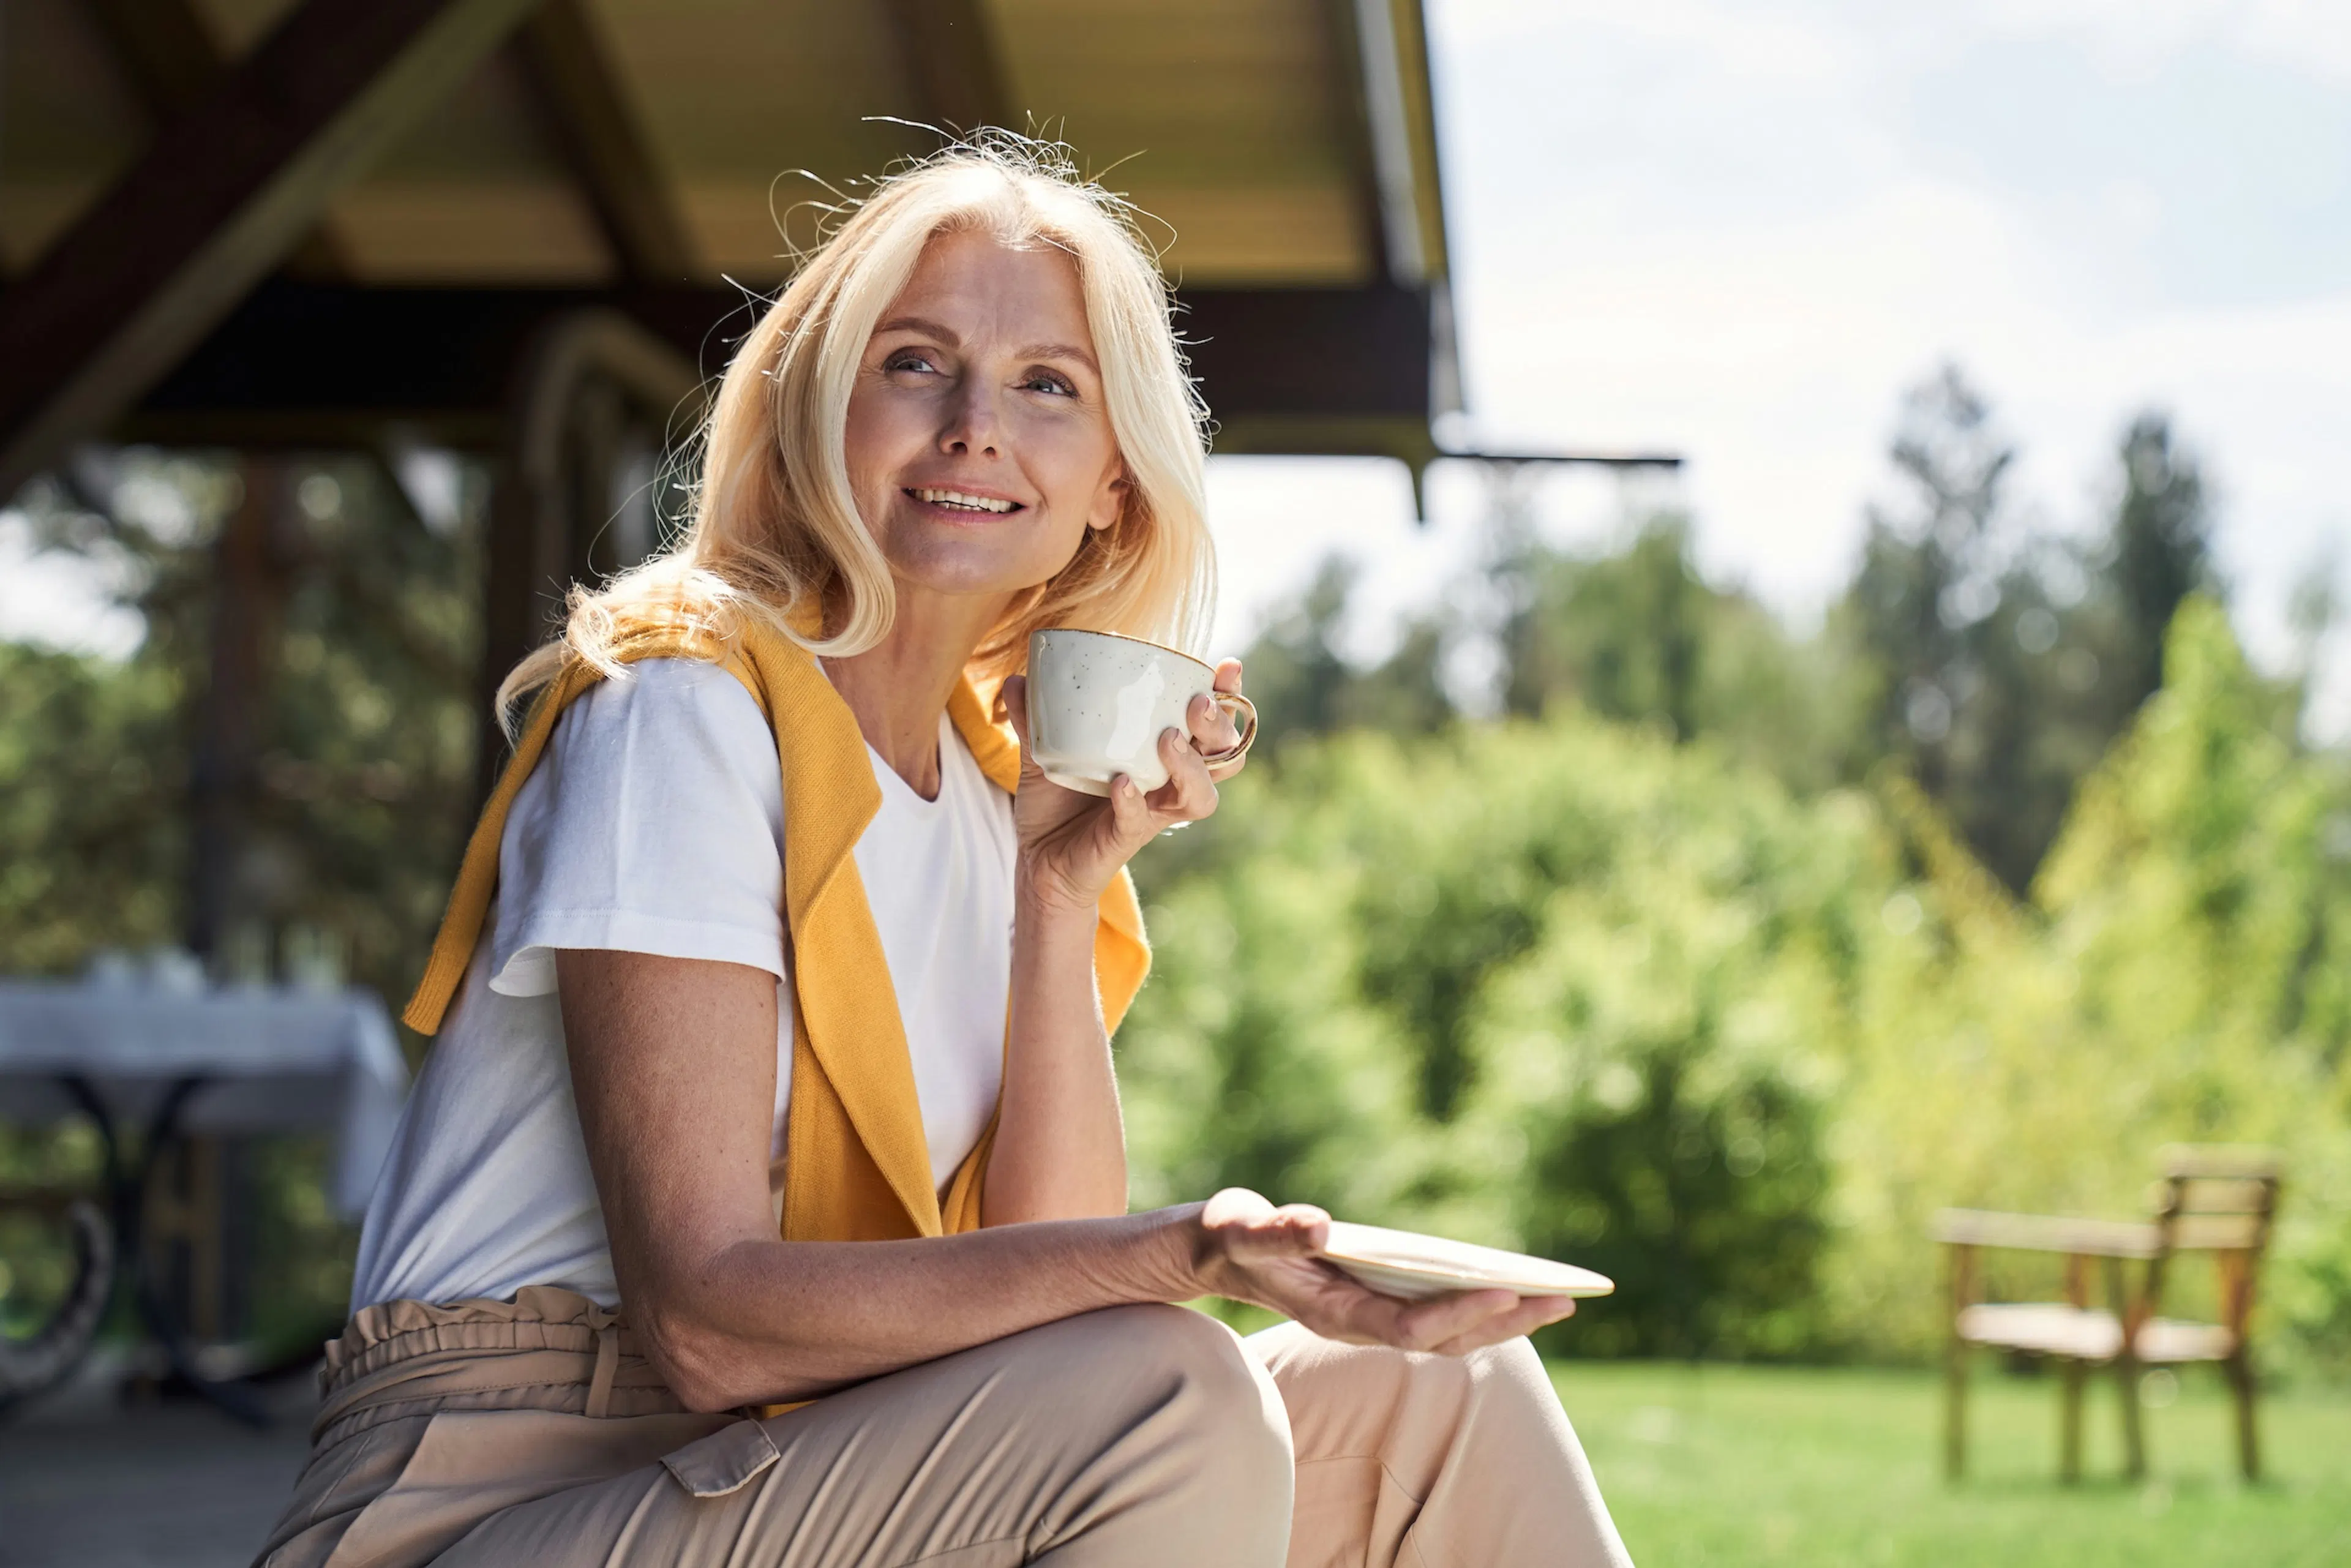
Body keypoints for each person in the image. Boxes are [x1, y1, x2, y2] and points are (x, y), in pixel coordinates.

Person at [255, 142, 1633, 1568]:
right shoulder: (682, 707)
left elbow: (1056, 1331)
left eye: (1049, 384)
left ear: (1114, 481)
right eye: (916, 362)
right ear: (817, 415)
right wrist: (1186, 1248)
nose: (978, 423)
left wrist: (1057, 886)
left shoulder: (992, 797)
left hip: (803, 1455)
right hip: (497, 1491)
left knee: (1441, 1387)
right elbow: (708, 1319)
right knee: (1175, 1386)